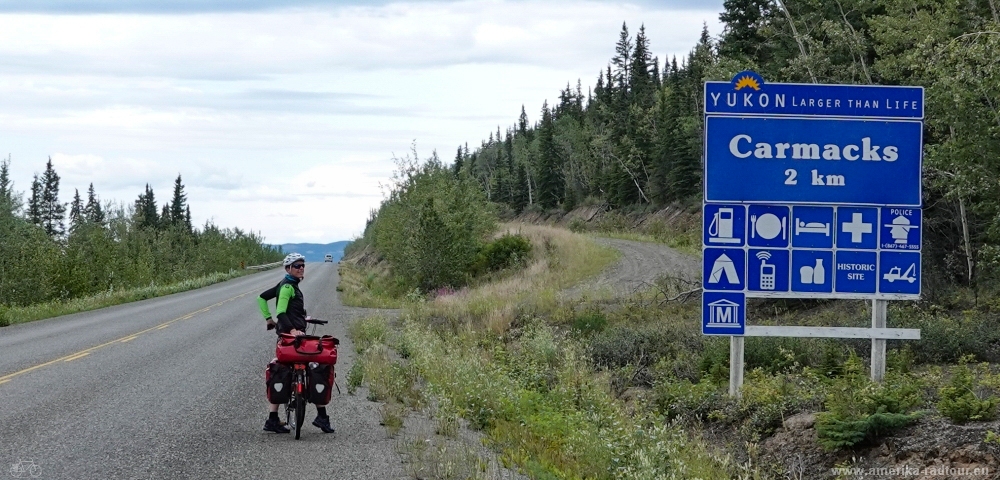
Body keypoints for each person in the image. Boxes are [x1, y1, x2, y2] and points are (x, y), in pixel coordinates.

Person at [257, 252, 335, 434]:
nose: (301, 268)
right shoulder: (287, 287)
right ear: (288, 269)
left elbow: (261, 297)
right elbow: (282, 312)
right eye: (297, 266)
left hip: (288, 337)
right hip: (291, 338)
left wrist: (269, 320)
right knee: (314, 368)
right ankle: (321, 417)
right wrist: (291, 329)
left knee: (281, 372)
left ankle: (273, 420)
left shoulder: (285, 285)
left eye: (302, 265)